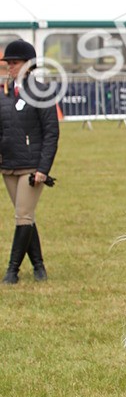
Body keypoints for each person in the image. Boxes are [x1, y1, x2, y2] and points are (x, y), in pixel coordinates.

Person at [0, 39, 59, 284]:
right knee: (27, 216)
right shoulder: (4, 92)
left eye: (14, 63)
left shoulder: (41, 92)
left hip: (32, 167)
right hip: (8, 165)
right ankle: (39, 267)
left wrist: (43, 169)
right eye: (9, 63)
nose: (9, 67)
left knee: (22, 217)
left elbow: (51, 133)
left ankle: (12, 271)